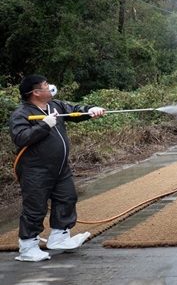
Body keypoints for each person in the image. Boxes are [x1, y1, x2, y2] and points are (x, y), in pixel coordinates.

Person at [8, 75, 106, 262]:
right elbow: (21, 137)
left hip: (60, 168)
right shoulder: (21, 114)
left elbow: (74, 110)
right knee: (35, 208)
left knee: (67, 197)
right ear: (36, 92)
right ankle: (28, 247)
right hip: (35, 170)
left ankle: (60, 237)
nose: (50, 87)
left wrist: (89, 110)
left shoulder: (56, 106)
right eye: (46, 86)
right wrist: (44, 126)